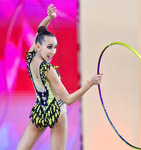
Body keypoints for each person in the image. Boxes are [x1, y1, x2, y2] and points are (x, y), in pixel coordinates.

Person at [17, 4, 103, 150]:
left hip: (41, 111)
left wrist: (49, 18)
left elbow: (40, 31)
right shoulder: (48, 70)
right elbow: (68, 100)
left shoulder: (31, 58)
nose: (53, 51)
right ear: (38, 46)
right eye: (49, 47)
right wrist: (90, 82)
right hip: (56, 114)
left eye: (55, 47)